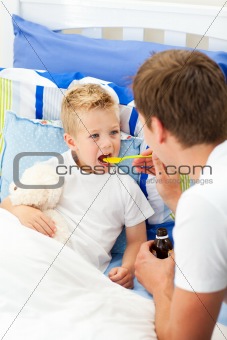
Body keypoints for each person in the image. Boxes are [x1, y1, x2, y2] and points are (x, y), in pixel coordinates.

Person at [0, 83, 154, 289]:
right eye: (95, 136)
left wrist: (128, 268)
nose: (107, 144)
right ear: (72, 142)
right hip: (36, 246)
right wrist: (22, 211)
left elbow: (136, 241)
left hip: (76, 270)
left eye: (114, 132)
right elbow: (8, 204)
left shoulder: (126, 187)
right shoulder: (55, 166)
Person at [132, 50, 227, 338]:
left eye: (143, 124)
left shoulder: (205, 206)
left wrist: (160, 282)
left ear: (158, 129)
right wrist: (177, 199)